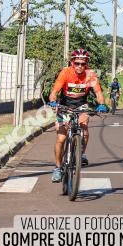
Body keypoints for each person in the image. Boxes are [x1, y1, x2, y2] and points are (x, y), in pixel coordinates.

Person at [48, 48, 107, 182]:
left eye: (83, 63)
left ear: (86, 64)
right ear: (72, 62)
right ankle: (57, 168)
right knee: (61, 138)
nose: (80, 66)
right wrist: (52, 101)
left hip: (81, 104)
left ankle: (81, 154)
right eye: (77, 63)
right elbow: (55, 91)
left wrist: (101, 104)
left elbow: (98, 93)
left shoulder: (90, 74)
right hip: (65, 105)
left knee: (84, 129)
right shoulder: (65, 72)